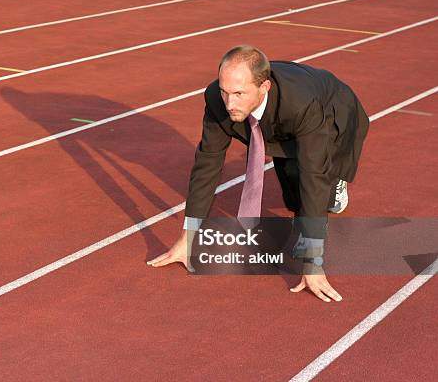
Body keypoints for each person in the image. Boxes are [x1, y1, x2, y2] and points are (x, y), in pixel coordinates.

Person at [147, 45, 369, 302]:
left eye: (239, 93)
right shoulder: (217, 99)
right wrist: (188, 239)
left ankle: (336, 186)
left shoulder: (301, 105)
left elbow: (313, 175)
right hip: (280, 118)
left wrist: (313, 262)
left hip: (332, 112)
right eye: (224, 91)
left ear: (263, 88)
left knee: (316, 183)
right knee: (291, 183)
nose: (230, 103)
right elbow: (206, 165)